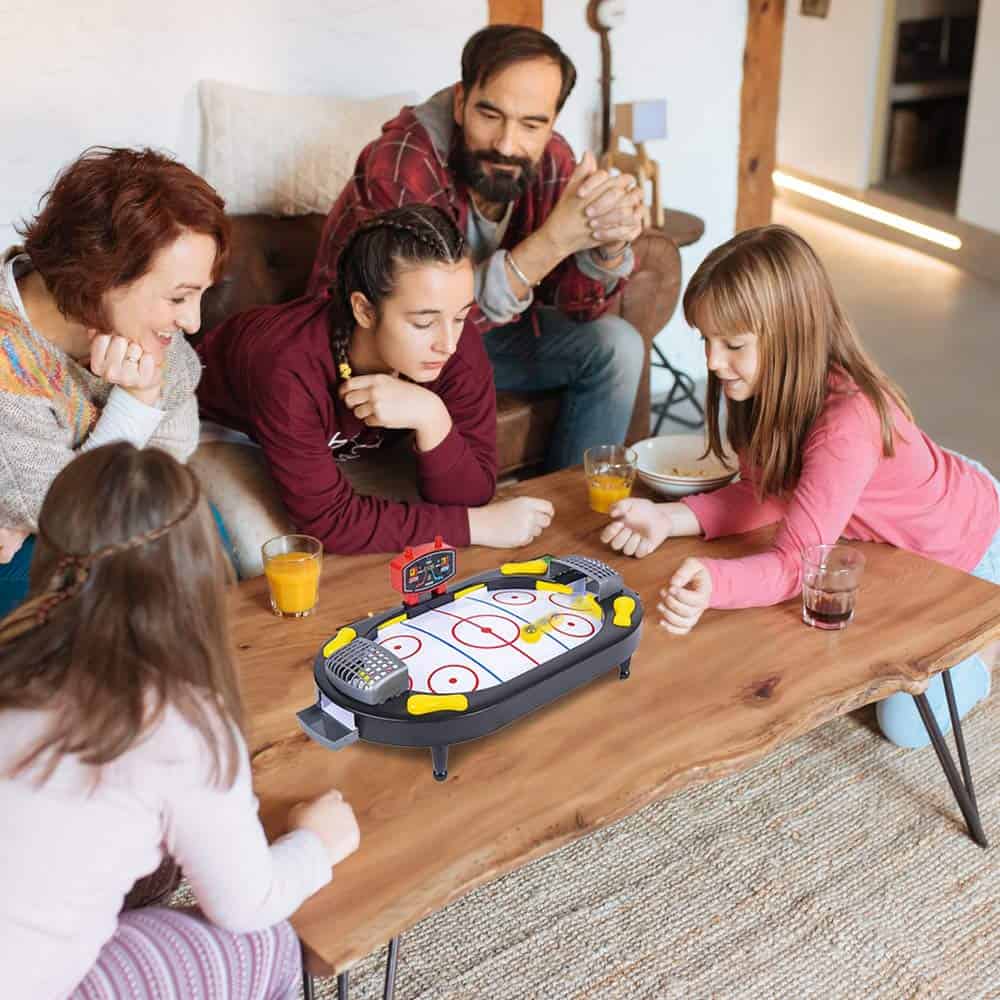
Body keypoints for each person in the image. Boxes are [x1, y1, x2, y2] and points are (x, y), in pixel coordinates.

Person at [601, 225, 998, 749]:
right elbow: (761, 494)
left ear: (790, 334)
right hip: (889, 541)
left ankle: (991, 639)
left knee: (905, 724)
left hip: (964, 544)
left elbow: (796, 566)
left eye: (732, 345)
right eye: (706, 341)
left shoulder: (846, 424)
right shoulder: (769, 388)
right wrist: (668, 518)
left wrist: (715, 585)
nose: (713, 363)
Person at [0, 443, 360, 999]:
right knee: (267, 944)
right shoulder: (177, 725)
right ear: (196, 575)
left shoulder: (12, 652)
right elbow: (247, 904)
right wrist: (315, 844)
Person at [306, 25, 646, 471]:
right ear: (462, 102)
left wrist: (608, 245)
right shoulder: (403, 159)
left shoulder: (551, 158)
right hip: (384, 344)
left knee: (617, 345)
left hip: (476, 336)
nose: (507, 144)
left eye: (531, 124)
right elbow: (417, 316)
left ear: (551, 122)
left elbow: (580, 309)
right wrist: (555, 240)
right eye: (490, 115)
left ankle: (572, 511)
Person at [197, 204, 553, 554]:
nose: (448, 343)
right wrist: (479, 526)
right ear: (364, 310)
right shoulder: (286, 367)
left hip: (339, 448)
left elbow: (472, 493)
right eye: (423, 323)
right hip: (223, 431)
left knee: (419, 534)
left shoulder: (455, 343)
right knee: (283, 554)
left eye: (460, 316)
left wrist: (432, 416)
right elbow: (331, 524)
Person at [0, 146, 231, 615]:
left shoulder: (135, 326)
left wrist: (142, 397)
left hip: (75, 517)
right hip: (28, 554)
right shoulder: (9, 365)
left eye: (201, 295)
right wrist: (137, 403)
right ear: (101, 275)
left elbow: (173, 447)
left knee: (201, 525)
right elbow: (68, 518)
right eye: (180, 297)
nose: (192, 322)